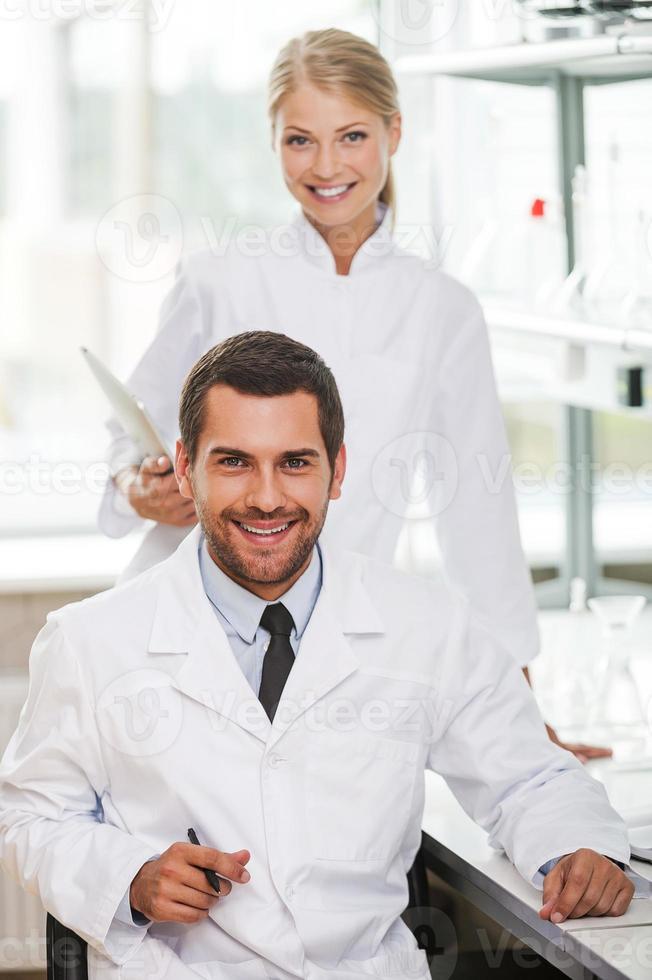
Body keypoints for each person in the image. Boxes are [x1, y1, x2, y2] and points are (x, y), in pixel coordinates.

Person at [0, 333, 636, 980]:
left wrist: (575, 849)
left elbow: (528, 776)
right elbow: (30, 816)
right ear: (186, 466)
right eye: (235, 463)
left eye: (296, 462)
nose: (268, 498)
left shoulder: (427, 625)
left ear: (338, 469)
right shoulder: (90, 640)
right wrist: (129, 877)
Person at [99, 29, 609, 764]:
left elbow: (477, 509)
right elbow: (131, 430)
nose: (327, 166)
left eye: (353, 136)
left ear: (394, 133)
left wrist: (518, 712)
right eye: (300, 140)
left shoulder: (440, 307)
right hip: (176, 627)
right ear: (272, 140)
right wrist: (137, 487)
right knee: (164, 857)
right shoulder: (219, 278)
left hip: (337, 652)